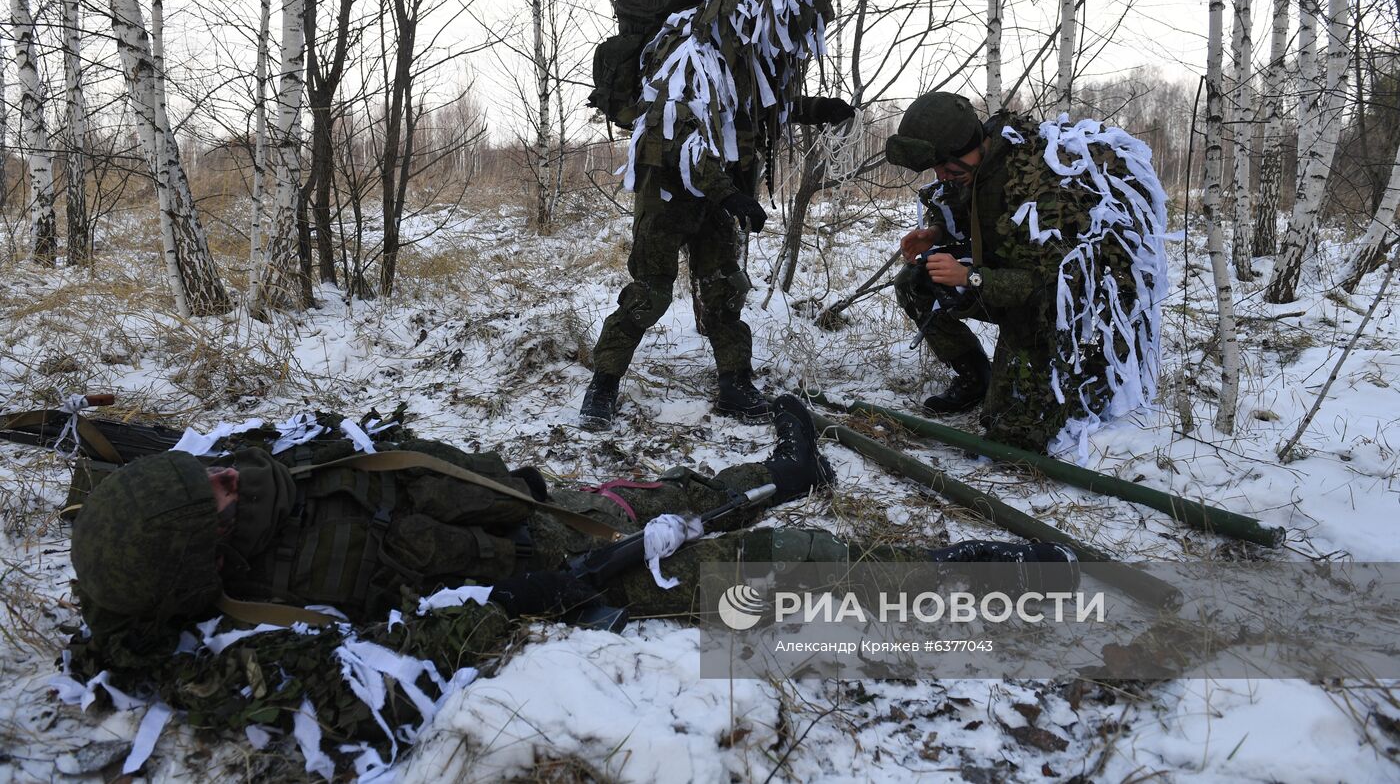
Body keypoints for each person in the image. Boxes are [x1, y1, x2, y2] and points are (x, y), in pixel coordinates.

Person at [65, 397, 1071, 760]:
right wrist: (513, 610)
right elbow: (341, 686)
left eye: (215, 474)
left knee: (648, 491)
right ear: (201, 557)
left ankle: (779, 474)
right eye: (216, 495)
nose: (229, 475)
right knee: (755, 581)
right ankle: (967, 583)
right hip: (550, 576)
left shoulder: (226, 476)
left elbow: (127, 446)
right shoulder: (243, 626)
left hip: (520, 507)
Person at [580, 0, 856, 429]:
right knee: (650, 292)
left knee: (725, 289)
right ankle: (602, 385)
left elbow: (755, 113)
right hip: (666, 194)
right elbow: (676, 137)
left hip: (716, 194)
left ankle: (734, 384)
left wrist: (816, 109)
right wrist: (730, 194)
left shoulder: (741, 59)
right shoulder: (691, 57)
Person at [885, 93, 1168, 455]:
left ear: (974, 146)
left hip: (1045, 314)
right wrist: (935, 233)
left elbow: (1047, 287)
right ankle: (974, 378)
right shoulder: (972, 165)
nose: (943, 176)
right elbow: (959, 202)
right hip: (997, 284)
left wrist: (970, 277)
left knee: (1011, 437)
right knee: (914, 283)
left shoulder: (1039, 182)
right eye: (938, 169)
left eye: (950, 169)